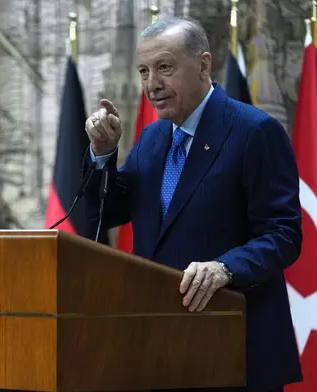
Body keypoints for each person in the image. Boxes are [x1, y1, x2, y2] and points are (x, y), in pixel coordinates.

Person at [83, 17, 302, 392]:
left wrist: (225, 268)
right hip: (162, 347)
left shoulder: (254, 131)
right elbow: (108, 211)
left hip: (235, 349)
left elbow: (283, 234)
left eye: (164, 67)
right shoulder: (151, 138)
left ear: (203, 64)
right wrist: (102, 155)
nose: (152, 84)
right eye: (143, 71)